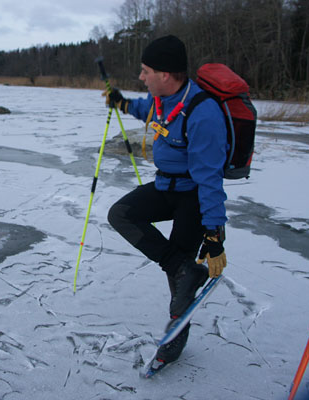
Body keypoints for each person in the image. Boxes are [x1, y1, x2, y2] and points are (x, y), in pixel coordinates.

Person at [105, 35, 228, 364]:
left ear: (166, 74)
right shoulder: (160, 98)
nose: (141, 77)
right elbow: (148, 110)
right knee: (121, 214)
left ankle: (173, 343)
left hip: (194, 197)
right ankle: (182, 268)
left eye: (146, 71)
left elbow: (210, 181)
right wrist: (124, 104)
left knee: (180, 285)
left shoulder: (204, 114)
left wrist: (214, 235)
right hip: (164, 186)